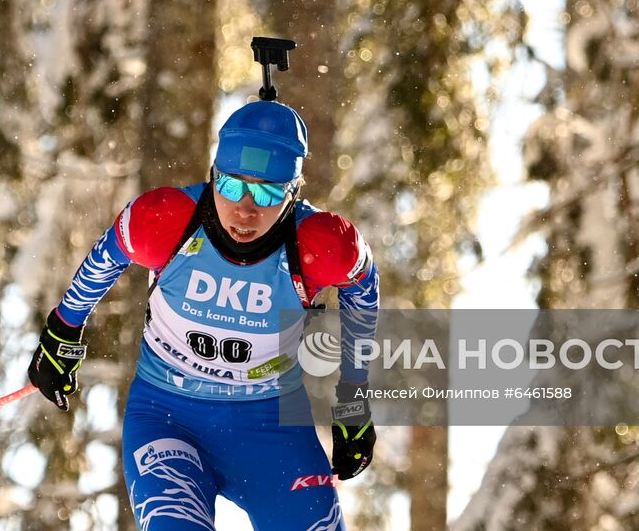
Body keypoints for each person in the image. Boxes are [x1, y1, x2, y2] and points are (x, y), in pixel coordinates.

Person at [29, 98, 380, 531]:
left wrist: (354, 400)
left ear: (294, 192)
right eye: (232, 186)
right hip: (168, 418)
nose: (246, 209)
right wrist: (61, 332)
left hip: (270, 429)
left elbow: (363, 295)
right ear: (214, 174)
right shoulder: (164, 218)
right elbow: (106, 259)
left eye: (268, 192)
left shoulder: (323, 243)